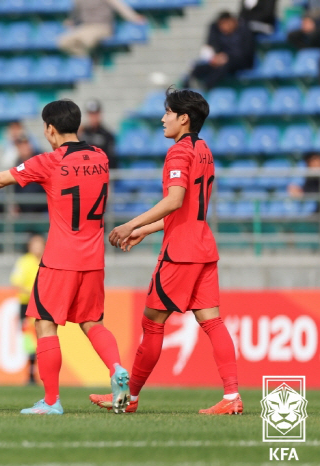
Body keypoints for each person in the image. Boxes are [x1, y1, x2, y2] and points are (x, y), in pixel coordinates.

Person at [0, 99, 130, 415]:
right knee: (93, 322)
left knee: (44, 325)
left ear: (50, 129)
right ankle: (117, 368)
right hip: (94, 257)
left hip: (60, 256)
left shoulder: (50, 160)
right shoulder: (101, 157)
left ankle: (51, 401)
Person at [90, 88, 242, 415]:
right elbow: (188, 209)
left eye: (168, 112)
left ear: (183, 118)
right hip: (204, 246)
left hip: (181, 253)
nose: (163, 118)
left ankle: (128, 398)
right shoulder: (205, 150)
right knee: (213, 322)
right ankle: (232, 397)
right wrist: (146, 230)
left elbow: (174, 201)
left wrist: (130, 224)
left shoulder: (178, 152)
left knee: (152, 323)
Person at [187, 11, 255, 90]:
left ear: (232, 21)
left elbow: (246, 53)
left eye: (225, 24)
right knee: (199, 67)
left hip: (241, 62)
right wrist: (217, 58)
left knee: (223, 66)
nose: (223, 27)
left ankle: (206, 87)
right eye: (221, 25)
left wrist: (227, 58)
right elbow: (212, 47)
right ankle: (186, 88)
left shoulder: (245, 31)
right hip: (223, 60)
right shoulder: (217, 31)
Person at [10, 233, 45, 385]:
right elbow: (17, 283)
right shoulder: (24, 262)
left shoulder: (48, 261)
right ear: (30, 246)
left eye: (40, 244)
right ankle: (31, 373)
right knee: (30, 340)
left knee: (44, 338)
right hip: (27, 305)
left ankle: (44, 373)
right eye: (35, 244)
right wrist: (33, 293)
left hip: (43, 304)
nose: (37, 247)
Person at [58, 0, 145, 57]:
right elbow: (75, 14)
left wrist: (134, 17)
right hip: (85, 27)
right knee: (63, 41)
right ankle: (83, 58)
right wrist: (72, 21)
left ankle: (89, 61)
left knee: (86, 40)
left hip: (102, 27)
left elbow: (121, 8)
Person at [79, 99, 117, 169]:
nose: (93, 117)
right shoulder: (81, 133)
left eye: (95, 114)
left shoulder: (107, 135)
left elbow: (111, 160)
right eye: (91, 114)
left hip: (100, 172)